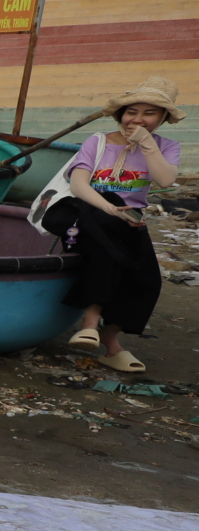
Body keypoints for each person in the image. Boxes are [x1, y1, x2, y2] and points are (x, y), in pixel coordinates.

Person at [39, 77, 184, 373]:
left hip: (126, 223)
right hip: (82, 215)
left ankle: (108, 335)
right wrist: (110, 209)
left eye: (149, 113)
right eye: (132, 112)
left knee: (147, 278)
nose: (138, 119)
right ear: (121, 114)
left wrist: (146, 143)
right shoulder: (98, 142)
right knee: (108, 242)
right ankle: (92, 326)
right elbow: (79, 185)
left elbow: (166, 179)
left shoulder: (166, 147)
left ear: (162, 118)